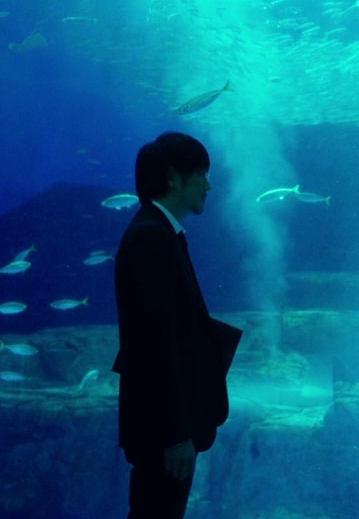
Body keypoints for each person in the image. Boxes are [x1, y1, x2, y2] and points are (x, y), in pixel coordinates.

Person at [110, 132, 242, 519]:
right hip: (164, 433)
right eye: (201, 172)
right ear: (172, 178)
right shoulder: (152, 238)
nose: (209, 184)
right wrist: (174, 434)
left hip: (165, 426)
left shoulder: (160, 232)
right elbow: (154, 346)